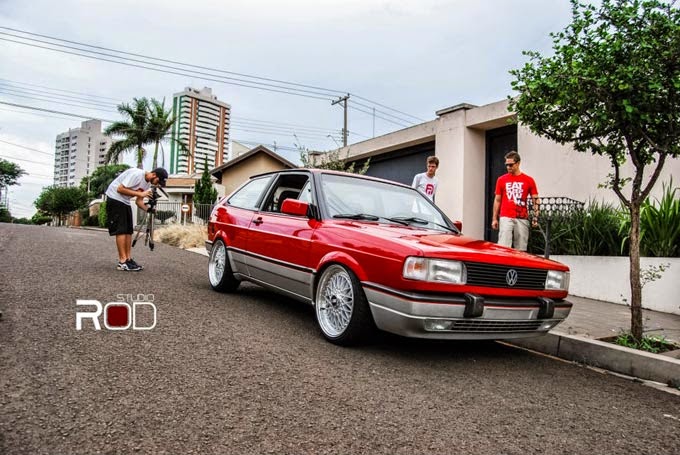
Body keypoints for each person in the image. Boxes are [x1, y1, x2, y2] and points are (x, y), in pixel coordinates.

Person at [104, 167, 168, 271]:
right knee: (121, 231)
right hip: (114, 198)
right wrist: (140, 194)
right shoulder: (137, 174)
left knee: (129, 231)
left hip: (125, 201)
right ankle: (122, 261)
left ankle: (128, 259)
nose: (157, 184)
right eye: (158, 181)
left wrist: (149, 210)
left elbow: (139, 202)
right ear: (154, 175)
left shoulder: (147, 184)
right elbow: (120, 189)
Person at [491, 151, 540, 251]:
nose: (508, 167)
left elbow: (536, 200)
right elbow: (497, 200)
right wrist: (494, 218)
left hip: (522, 216)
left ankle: (519, 266)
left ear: (518, 163)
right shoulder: (501, 180)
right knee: (503, 246)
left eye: (511, 165)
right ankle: (503, 266)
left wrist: (536, 217)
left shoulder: (528, 180)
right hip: (506, 216)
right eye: (506, 165)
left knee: (521, 247)